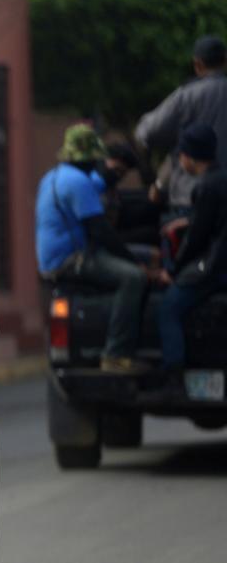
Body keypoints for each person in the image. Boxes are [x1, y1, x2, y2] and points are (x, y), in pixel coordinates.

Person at [35, 124, 149, 374]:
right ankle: (116, 354)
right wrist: (133, 262)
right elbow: (101, 231)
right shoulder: (79, 182)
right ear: (87, 158)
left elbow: (98, 191)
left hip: (54, 260)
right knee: (134, 278)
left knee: (137, 260)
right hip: (70, 260)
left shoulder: (53, 176)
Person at [157, 125, 227, 385]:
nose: (180, 160)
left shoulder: (206, 187)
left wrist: (172, 269)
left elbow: (197, 239)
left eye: (182, 155)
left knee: (169, 309)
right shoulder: (221, 179)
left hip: (213, 267)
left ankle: (173, 374)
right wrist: (187, 221)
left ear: (190, 156)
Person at [137, 35, 227, 212]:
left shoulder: (186, 95)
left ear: (197, 64)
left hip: (190, 196)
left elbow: (148, 132)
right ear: (225, 61)